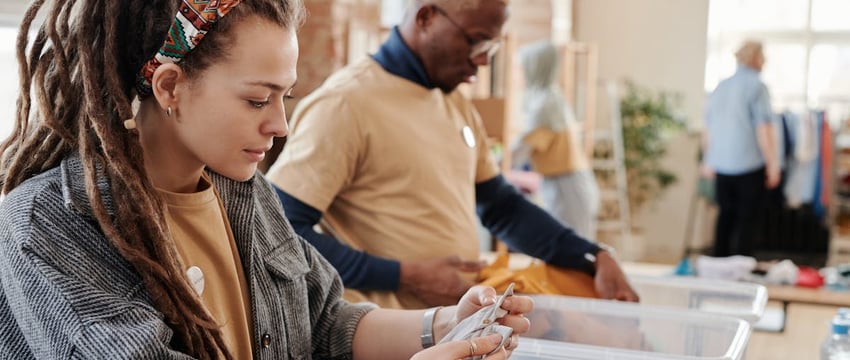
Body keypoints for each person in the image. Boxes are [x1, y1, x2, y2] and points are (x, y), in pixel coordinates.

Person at [0, 0, 533, 359]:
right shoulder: (47, 227)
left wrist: (443, 326)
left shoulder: (244, 191)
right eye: (257, 100)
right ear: (170, 86)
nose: (279, 125)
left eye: (285, 97)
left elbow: (327, 323)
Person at [266, 0, 638, 310]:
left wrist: (593, 256)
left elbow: (502, 207)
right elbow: (282, 231)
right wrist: (404, 276)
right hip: (386, 334)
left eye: (491, 46)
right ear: (426, 17)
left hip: (451, 326)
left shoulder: (454, 102)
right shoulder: (346, 104)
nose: (483, 60)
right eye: (476, 42)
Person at [511, 40, 600, 240]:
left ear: (534, 68)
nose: (516, 75)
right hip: (561, 183)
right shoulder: (547, 98)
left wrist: (487, 163)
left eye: (520, 68)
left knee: (572, 248)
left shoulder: (545, 105)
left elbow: (520, 150)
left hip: (568, 185)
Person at [702, 40, 780, 257]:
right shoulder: (757, 86)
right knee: (747, 219)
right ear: (756, 58)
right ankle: (741, 267)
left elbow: (708, 128)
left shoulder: (721, 87)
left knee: (725, 216)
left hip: (721, 164)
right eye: (763, 57)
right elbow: (763, 129)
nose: (765, 61)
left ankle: (720, 264)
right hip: (749, 164)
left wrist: (708, 160)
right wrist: (773, 164)